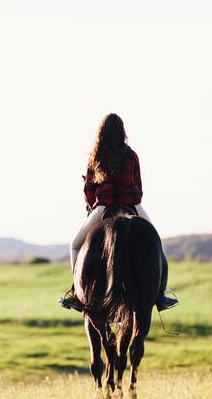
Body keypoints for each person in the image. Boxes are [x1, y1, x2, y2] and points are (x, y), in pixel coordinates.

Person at [59, 113, 179, 313]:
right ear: (122, 131)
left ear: (101, 133)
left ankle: (77, 294)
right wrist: (132, 200)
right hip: (132, 204)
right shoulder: (131, 155)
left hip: (104, 207)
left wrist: (93, 206)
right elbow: (139, 187)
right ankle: (160, 296)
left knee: (75, 245)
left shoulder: (95, 155)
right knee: (157, 243)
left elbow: (89, 188)